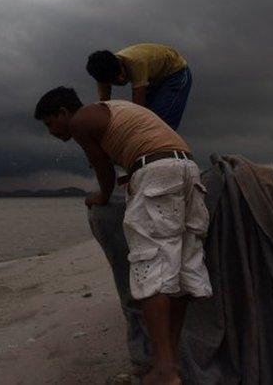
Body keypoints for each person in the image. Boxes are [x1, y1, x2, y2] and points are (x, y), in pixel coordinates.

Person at [35, 87, 211, 385]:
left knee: (150, 270)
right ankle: (170, 362)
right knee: (180, 272)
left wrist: (102, 196)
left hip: (157, 170)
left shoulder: (80, 121)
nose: (52, 132)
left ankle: (164, 372)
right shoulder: (111, 109)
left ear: (64, 113)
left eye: (50, 123)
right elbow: (139, 145)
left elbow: (104, 171)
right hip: (187, 168)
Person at [86, 43, 192, 130]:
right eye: (115, 80)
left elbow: (138, 109)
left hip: (176, 73)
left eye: (122, 74)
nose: (122, 79)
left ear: (120, 62)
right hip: (153, 78)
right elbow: (104, 106)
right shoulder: (102, 77)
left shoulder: (136, 63)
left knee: (159, 122)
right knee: (146, 121)